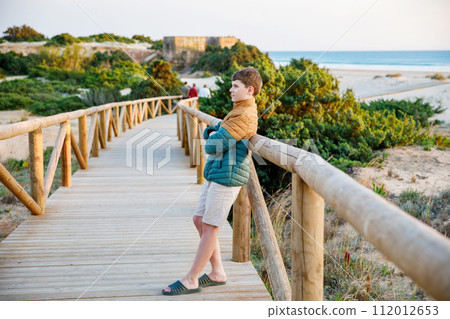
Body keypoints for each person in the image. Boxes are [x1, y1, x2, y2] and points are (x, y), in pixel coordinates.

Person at [162, 67, 262, 295]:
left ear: (250, 89)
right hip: (217, 172)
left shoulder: (245, 114)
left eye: (235, 86)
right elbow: (216, 131)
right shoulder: (238, 110)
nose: (230, 89)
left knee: (210, 225)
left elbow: (212, 145)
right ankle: (217, 273)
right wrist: (214, 132)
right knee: (199, 219)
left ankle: (191, 279)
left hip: (227, 176)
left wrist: (213, 134)